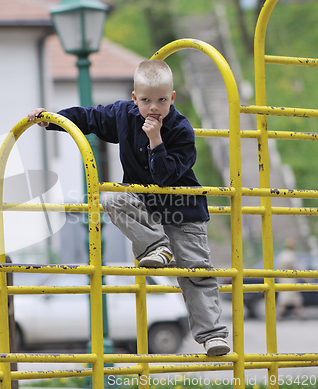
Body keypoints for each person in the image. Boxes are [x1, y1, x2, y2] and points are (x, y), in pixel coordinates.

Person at [28, 59, 229, 356]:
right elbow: (90, 118)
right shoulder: (123, 114)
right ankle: (156, 246)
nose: (153, 108)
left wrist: (155, 140)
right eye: (146, 100)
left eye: (161, 100)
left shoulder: (181, 129)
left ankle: (212, 335)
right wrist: (52, 119)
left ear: (172, 98)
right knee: (110, 198)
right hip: (143, 207)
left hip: (182, 208)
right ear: (134, 98)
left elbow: (164, 177)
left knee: (195, 271)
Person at [275, 238, 306, 320]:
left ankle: (301, 315)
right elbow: (296, 267)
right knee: (285, 299)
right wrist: (305, 276)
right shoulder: (290, 255)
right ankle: (278, 316)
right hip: (290, 279)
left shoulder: (282, 254)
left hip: (284, 279)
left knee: (295, 299)